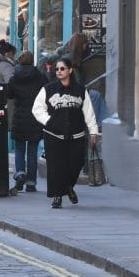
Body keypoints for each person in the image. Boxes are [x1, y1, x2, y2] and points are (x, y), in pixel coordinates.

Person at [31, 57, 100, 209]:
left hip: (76, 134)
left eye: (62, 68)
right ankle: (57, 196)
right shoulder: (48, 89)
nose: (59, 71)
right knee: (56, 167)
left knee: (76, 164)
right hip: (54, 134)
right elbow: (37, 109)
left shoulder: (80, 90)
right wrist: (49, 121)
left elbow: (88, 112)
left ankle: (68, 186)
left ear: (70, 70)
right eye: (57, 69)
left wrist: (93, 131)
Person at [5, 50, 45, 194]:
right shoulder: (40, 77)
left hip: (20, 117)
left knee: (20, 150)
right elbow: (46, 93)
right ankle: (31, 183)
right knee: (32, 152)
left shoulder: (14, 77)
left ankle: (20, 173)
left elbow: (9, 95)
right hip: (35, 117)